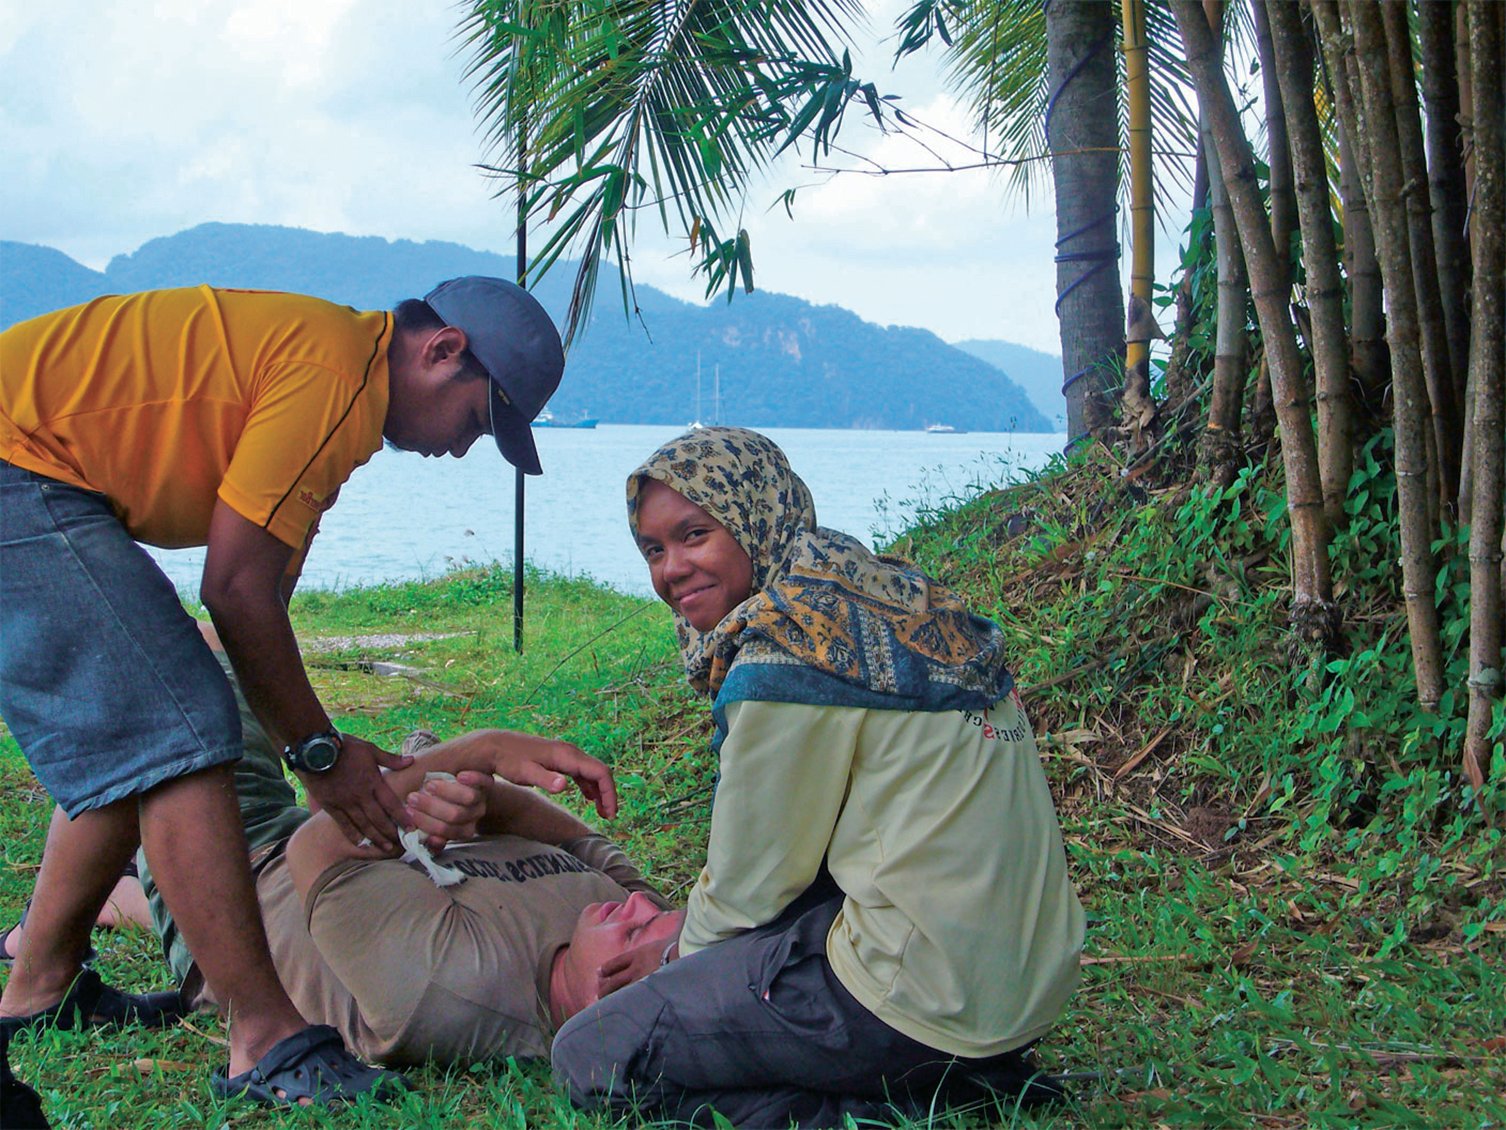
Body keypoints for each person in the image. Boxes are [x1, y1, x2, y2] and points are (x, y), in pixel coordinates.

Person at [0, 277, 572, 1107]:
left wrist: (317, 740)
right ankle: (266, 1042)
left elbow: (264, 599)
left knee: (151, 708)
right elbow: (233, 588)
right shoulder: (334, 376)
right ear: (441, 350)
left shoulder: (337, 380)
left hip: (38, 466)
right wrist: (318, 758)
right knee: (178, 731)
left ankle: (39, 988)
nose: (466, 447)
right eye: (480, 420)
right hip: (18, 464)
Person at [552, 427, 1086, 1127]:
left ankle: (883, 1110)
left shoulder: (789, 657)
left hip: (924, 1001)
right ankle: (969, 1082)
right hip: (1028, 985)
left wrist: (676, 957)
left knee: (591, 1052)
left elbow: (752, 889)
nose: (671, 569)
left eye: (694, 535)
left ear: (753, 519)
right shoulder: (882, 592)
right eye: (654, 549)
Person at [135, 627, 683, 1066]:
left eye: (633, 928)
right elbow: (580, 839)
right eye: (660, 911)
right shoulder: (638, 934)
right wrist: (482, 804)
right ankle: (119, 899)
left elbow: (319, 844)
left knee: (158, 670)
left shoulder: (452, 986)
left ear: (599, 998)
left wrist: (479, 751)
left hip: (242, 869)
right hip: (354, 867)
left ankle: (50, 977)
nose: (638, 903)